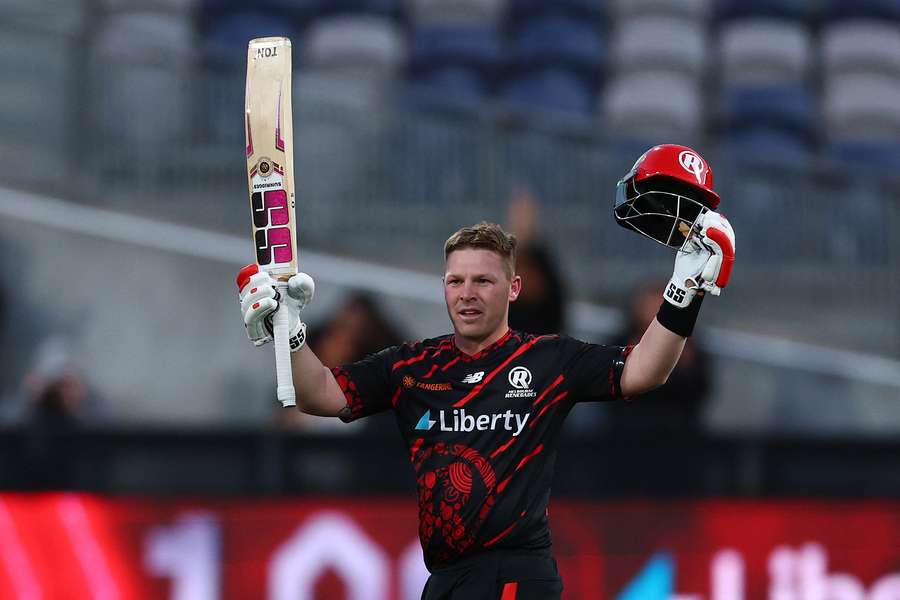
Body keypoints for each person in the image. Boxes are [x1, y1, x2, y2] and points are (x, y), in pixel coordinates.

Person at [236, 144, 736, 599]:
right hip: (446, 581)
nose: (467, 292)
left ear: (513, 289)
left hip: (517, 576)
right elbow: (318, 394)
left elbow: (644, 371)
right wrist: (290, 332)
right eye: (456, 280)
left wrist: (683, 292)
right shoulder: (413, 365)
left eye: (483, 280)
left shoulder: (549, 359)